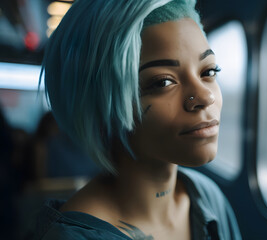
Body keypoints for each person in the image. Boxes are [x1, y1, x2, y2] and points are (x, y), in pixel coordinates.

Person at [33, 0, 242, 239]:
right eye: (163, 82)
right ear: (101, 103)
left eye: (208, 72)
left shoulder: (207, 197)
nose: (205, 96)